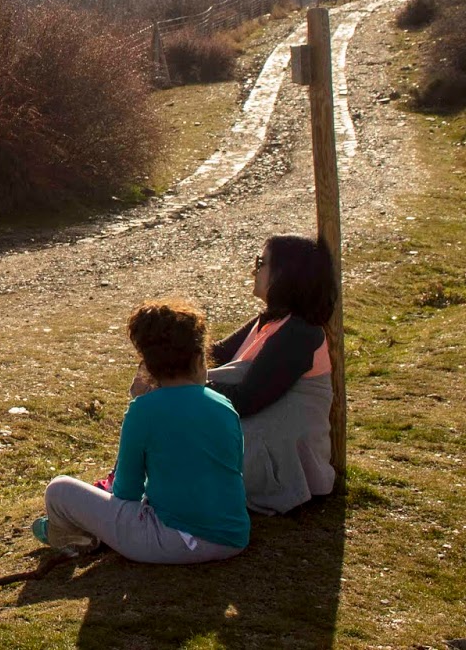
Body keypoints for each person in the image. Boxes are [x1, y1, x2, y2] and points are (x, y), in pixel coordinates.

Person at [35, 300, 248, 564]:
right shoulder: (224, 405)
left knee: (59, 489)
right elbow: (233, 469)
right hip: (234, 537)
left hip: (174, 542)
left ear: (148, 366)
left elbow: (126, 492)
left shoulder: (143, 410)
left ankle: (67, 533)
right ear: (198, 359)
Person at [207, 235, 338, 514]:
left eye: (261, 262)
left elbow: (246, 400)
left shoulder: (299, 333)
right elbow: (215, 354)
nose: (254, 270)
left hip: (276, 461)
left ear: (285, 273)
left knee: (170, 413)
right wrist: (167, 353)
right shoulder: (270, 320)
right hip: (256, 442)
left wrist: (186, 384)